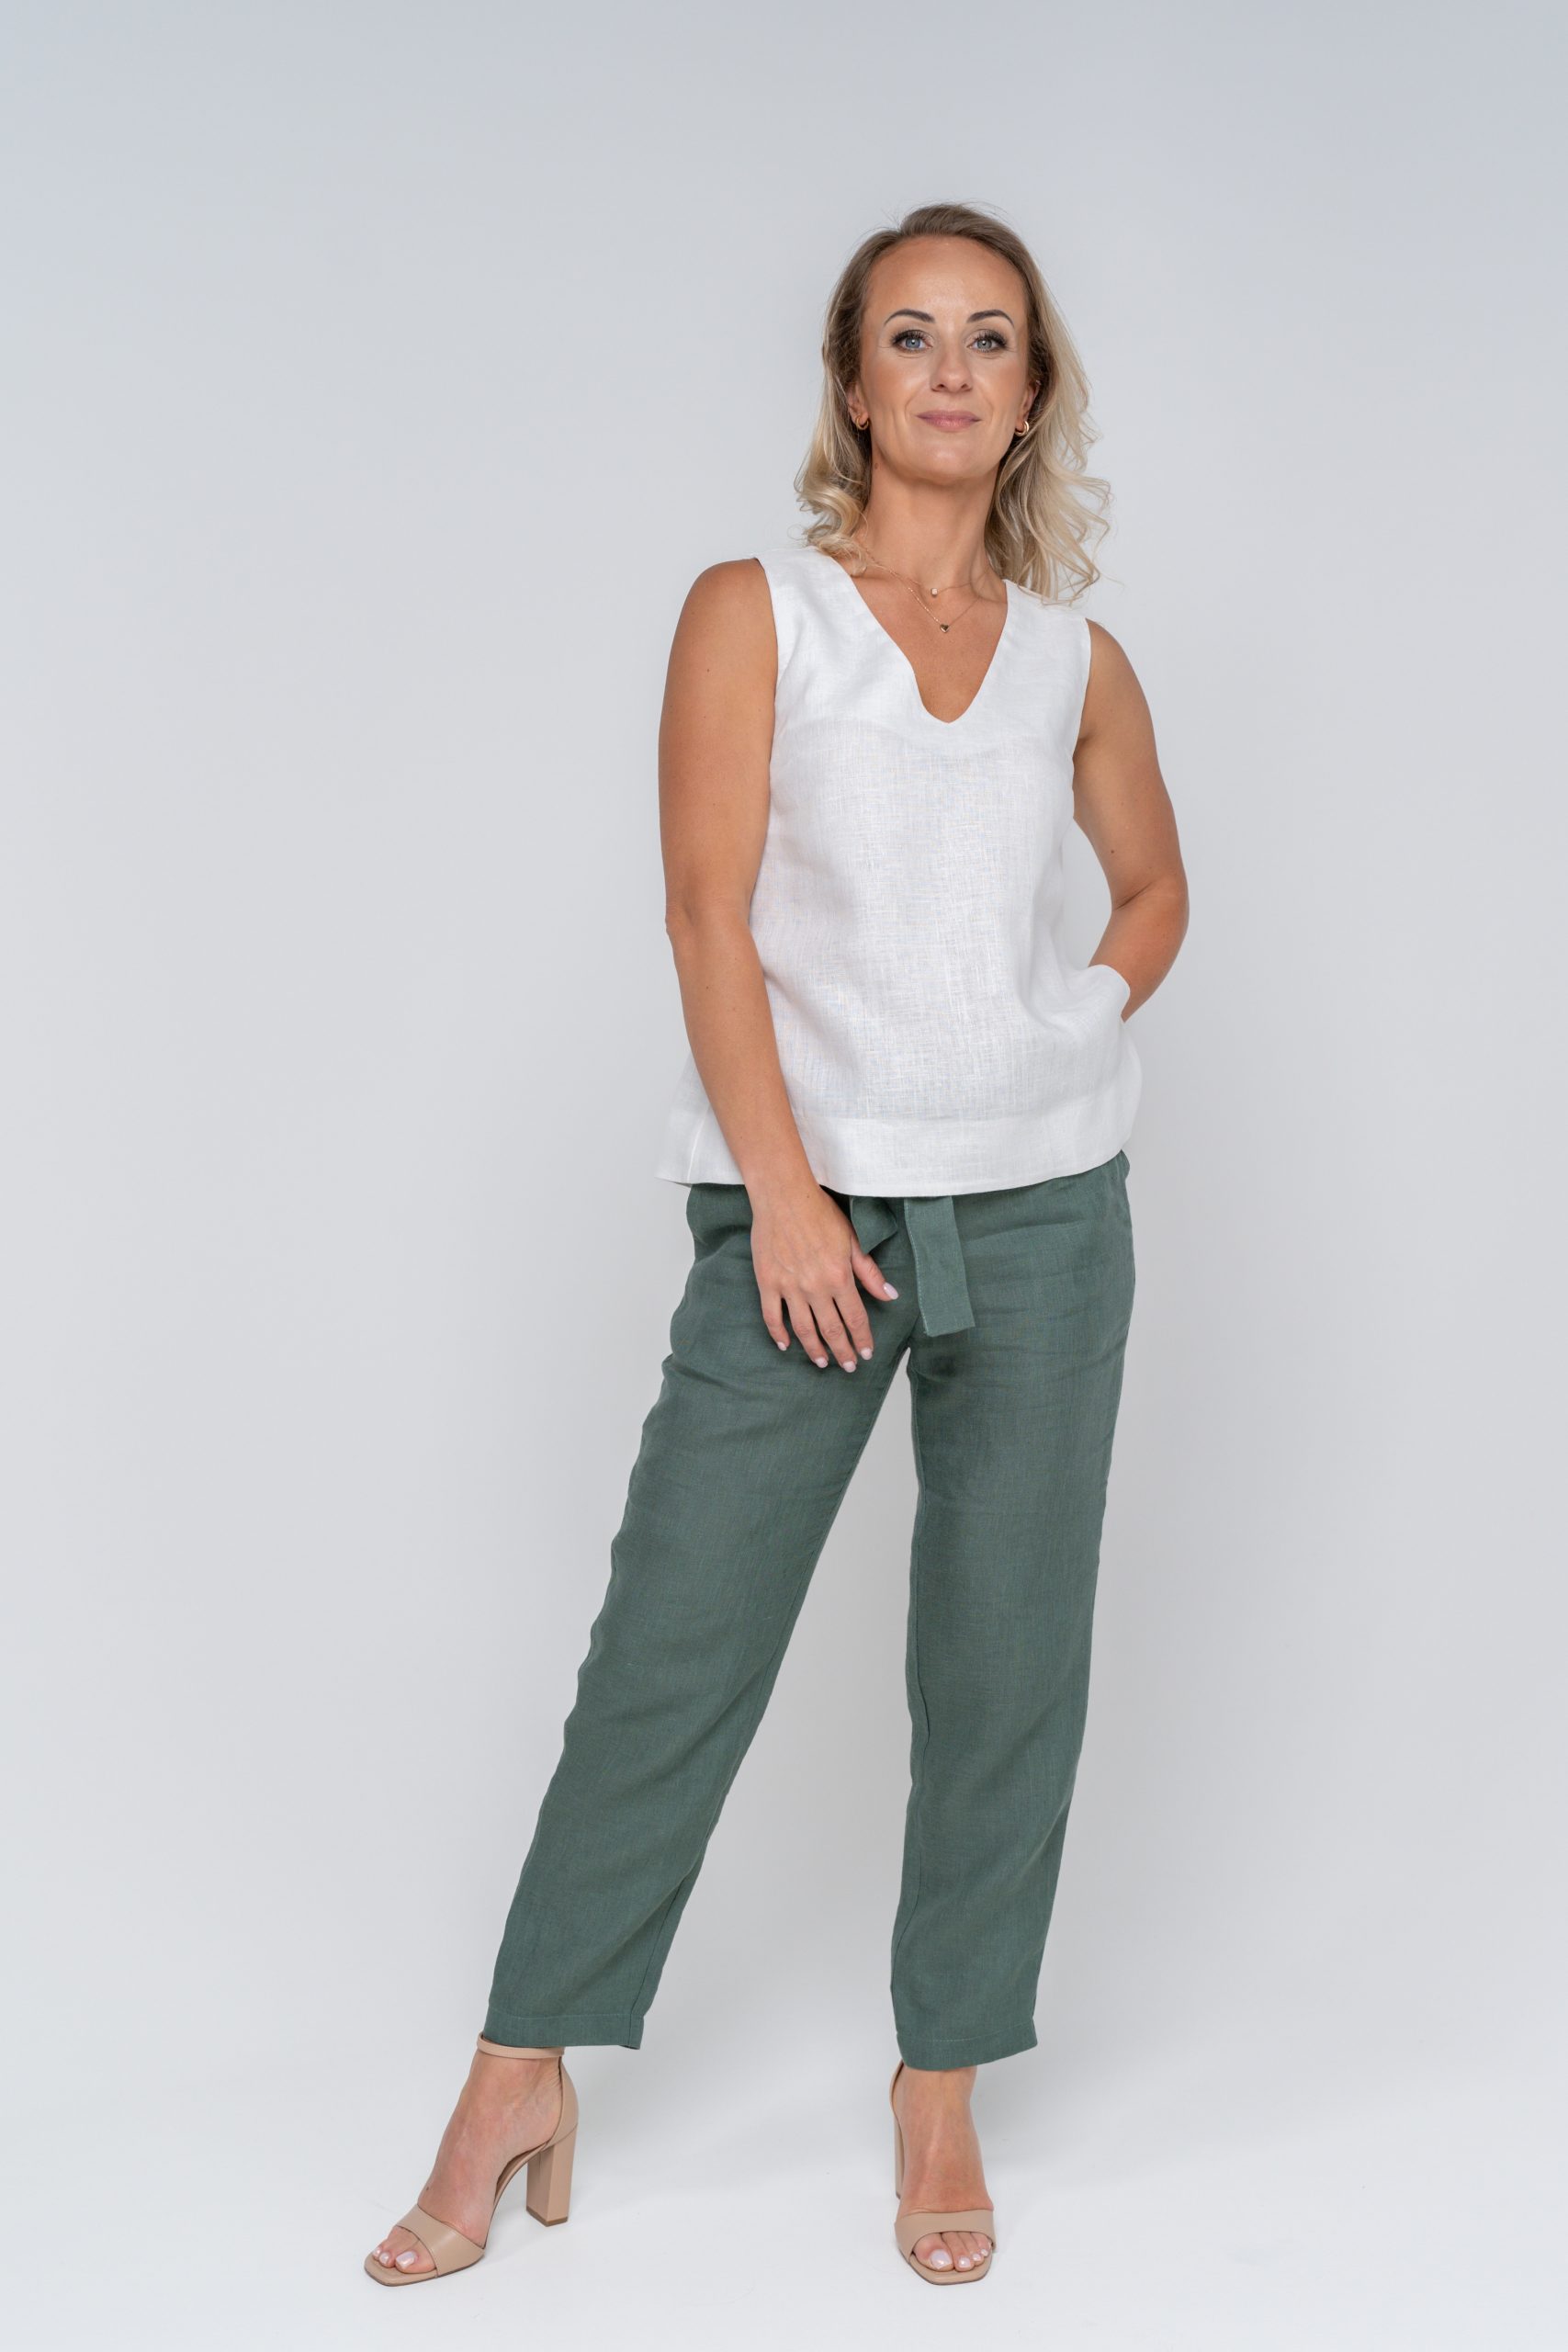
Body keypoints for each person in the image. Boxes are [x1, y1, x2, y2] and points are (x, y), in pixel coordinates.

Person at [366, 198, 1188, 2292]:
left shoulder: (1075, 659)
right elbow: (702, 912)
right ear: (851, 381)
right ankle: (516, 2072)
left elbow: (1155, 888)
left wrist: (1069, 1021)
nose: (947, 370)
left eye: (987, 338)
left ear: (1030, 394)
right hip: (802, 1216)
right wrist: (792, 1196)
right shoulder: (757, 614)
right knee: (675, 1646)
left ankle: (941, 2083)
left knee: (1006, 1666)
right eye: (908, 335)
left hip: (1047, 1213)